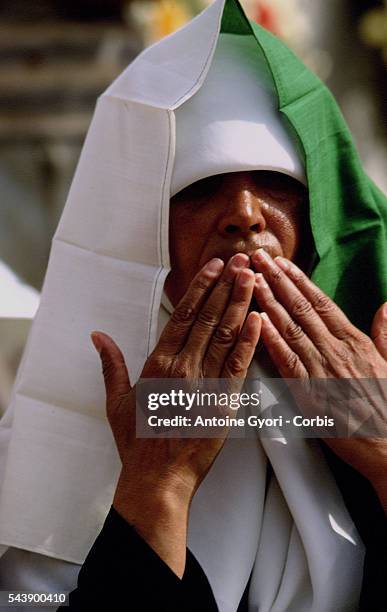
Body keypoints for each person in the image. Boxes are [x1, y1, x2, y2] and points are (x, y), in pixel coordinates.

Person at [0, 0, 386, 610]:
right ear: (139, 231)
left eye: (278, 182)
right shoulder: (33, 463)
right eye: (201, 187)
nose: (245, 214)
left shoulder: (374, 390)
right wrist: (159, 483)